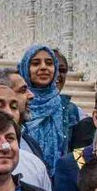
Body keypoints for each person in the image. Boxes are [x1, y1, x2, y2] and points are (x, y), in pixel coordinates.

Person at [19, 43, 80, 172]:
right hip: (24, 173)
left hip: (60, 177)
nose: (43, 67)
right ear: (25, 68)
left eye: (49, 63)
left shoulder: (68, 109)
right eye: (35, 63)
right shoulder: (19, 105)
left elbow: (77, 151)